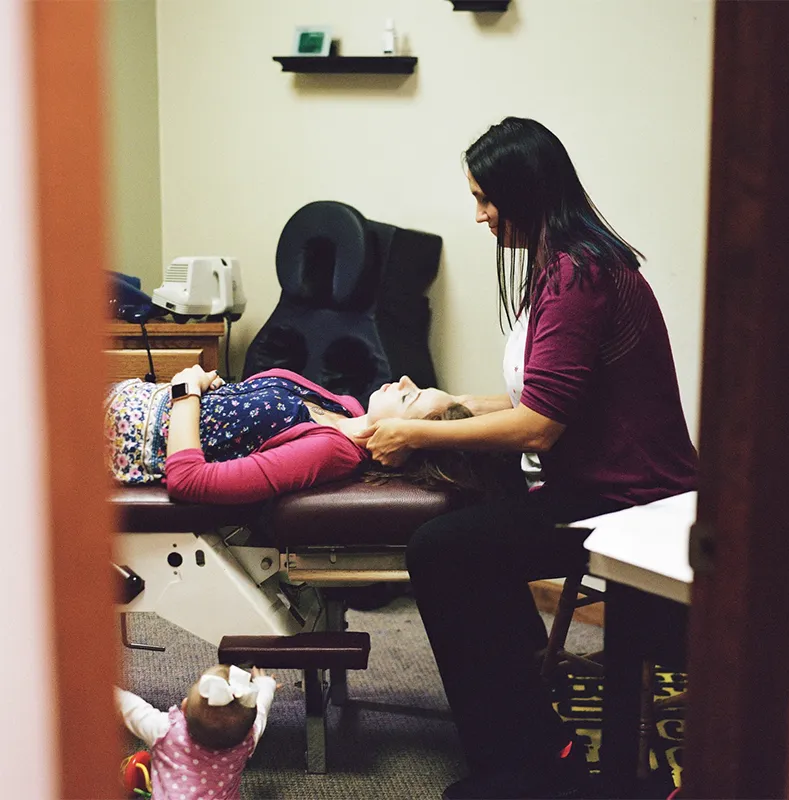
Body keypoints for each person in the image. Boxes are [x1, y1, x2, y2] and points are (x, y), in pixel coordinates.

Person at [359, 117, 699, 799]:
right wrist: (451, 401)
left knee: (442, 548)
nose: (480, 215)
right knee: (468, 535)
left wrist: (414, 435)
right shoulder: (567, 264)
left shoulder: (580, 275)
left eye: (487, 198)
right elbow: (543, 396)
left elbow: (540, 426)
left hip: (630, 498)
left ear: (525, 193)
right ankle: (527, 736)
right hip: (600, 483)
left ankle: (524, 764)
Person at [105, 365, 485, 504]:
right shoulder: (346, 409)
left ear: (402, 444)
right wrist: (209, 384)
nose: (402, 380)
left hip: (116, 437)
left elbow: (190, 481)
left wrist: (185, 390)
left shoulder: (330, 451)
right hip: (120, 397)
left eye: (410, 396)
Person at [116, 664, 278, 799]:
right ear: (251, 730)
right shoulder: (247, 741)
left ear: (184, 708)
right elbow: (262, 710)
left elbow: (130, 708)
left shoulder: (165, 731)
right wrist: (265, 684)